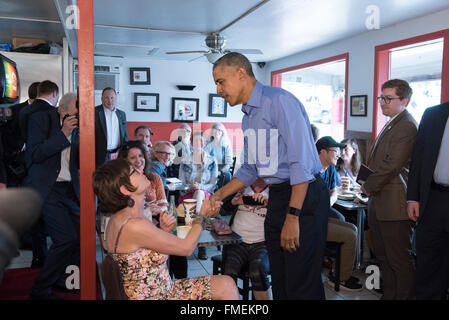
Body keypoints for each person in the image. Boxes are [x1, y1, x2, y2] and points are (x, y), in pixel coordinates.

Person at [209, 52, 329, 300]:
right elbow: (250, 169)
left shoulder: (279, 101)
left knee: (301, 281)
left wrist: (293, 216)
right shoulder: (248, 117)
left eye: (221, 81)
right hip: (279, 195)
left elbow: (301, 164)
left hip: (303, 195)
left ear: (241, 73)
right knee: (281, 278)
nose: (219, 89)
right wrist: (217, 196)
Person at [92, 158, 239, 300]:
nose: (140, 169)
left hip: (163, 289)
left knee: (226, 284)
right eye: (134, 172)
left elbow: (144, 256)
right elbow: (187, 248)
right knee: (227, 286)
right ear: (124, 189)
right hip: (158, 296)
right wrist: (202, 214)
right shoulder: (133, 224)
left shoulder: (127, 216)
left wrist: (164, 231)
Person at [361, 79, 418, 300]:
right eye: (381, 97)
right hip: (379, 201)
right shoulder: (392, 121)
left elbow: (392, 165)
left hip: (394, 206)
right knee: (383, 258)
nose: (382, 102)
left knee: (399, 261)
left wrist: (369, 186)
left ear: (404, 100)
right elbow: (375, 161)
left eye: (388, 98)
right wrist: (363, 183)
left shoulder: (407, 126)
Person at [26, 93, 80, 300]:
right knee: (65, 239)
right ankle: (40, 290)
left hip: (70, 189)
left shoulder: (79, 125)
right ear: (63, 110)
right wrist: (64, 132)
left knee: (79, 236)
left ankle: (62, 277)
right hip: (48, 188)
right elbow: (35, 154)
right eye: (75, 113)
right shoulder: (40, 120)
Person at [407, 101, 449, 300]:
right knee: (427, 267)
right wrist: (413, 197)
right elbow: (418, 158)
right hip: (433, 200)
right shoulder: (433, 115)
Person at [316, 136, 362, 291]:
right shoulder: (311, 171)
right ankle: (340, 278)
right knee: (350, 235)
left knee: (353, 228)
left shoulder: (329, 169)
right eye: (335, 150)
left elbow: (333, 191)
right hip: (310, 222)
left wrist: (327, 203)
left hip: (321, 216)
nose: (339, 154)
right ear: (322, 152)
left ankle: (338, 271)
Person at [221, 177, 271, 300]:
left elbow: (285, 215)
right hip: (237, 241)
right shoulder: (240, 185)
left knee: (257, 269)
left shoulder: (275, 189)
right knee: (229, 268)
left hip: (263, 243)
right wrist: (234, 202)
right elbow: (223, 210)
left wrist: (269, 204)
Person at [1, 82, 39, 187]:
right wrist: (21, 145)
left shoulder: (45, 112)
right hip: (17, 160)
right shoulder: (15, 110)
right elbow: (5, 133)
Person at [118, 140, 167, 222]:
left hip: (156, 223)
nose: (138, 161)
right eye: (133, 158)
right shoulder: (121, 182)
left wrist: (154, 211)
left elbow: (164, 206)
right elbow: (124, 215)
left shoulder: (155, 178)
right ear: (125, 161)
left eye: (141, 156)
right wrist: (148, 211)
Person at [94, 87, 129, 167]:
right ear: (102, 99)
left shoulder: (121, 114)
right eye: (106, 97)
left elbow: (125, 136)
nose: (110, 101)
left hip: (118, 154)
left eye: (112, 97)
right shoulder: (94, 112)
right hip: (101, 155)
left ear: (116, 98)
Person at [19, 81, 59, 145]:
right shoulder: (53, 112)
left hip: (28, 152)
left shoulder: (24, 110)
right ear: (54, 93)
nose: (57, 101)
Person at [204, 122, 234, 189]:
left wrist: (220, 172)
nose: (217, 132)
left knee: (226, 176)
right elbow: (203, 160)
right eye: (215, 129)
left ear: (222, 132)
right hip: (209, 170)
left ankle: (222, 197)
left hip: (222, 171)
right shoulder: (207, 144)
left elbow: (228, 164)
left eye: (219, 130)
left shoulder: (226, 145)